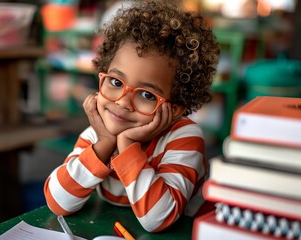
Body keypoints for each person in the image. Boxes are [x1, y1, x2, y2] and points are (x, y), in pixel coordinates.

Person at [44, 0, 219, 232]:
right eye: (116, 82)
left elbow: (158, 219)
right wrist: (105, 143)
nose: (123, 103)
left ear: (175, 109)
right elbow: (58, 202)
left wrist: (126, 145)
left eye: (146, 95)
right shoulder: (99, 134)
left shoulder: (184, 137)